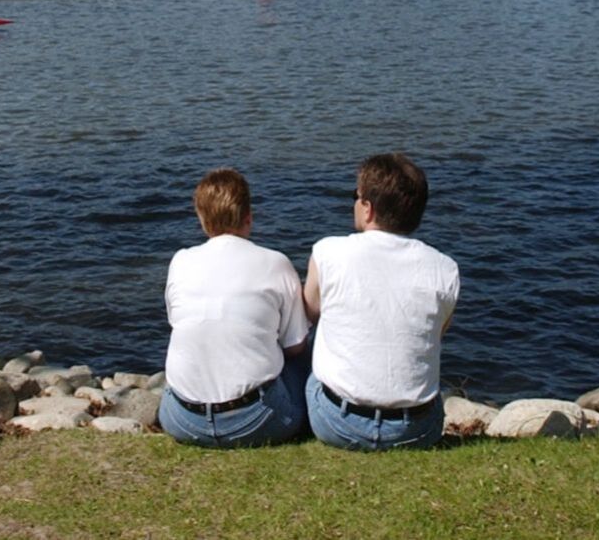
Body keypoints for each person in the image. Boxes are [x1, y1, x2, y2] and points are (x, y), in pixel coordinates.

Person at [303, 152, 458, 451]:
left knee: (304, 352)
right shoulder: (445, 268)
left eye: (356, 196)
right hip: (417, 430)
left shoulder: (328, 252)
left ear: (368, 208)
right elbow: (436, 334)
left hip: (339, 424)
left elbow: (310, 313)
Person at [159, 168, 311, 448]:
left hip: (182, 420)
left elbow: (175, 321)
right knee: (304, 351)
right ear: (249, 218)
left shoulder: (180, 262)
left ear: (202, 220)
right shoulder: (275, 263)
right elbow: (294, 347)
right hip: (256, 420)